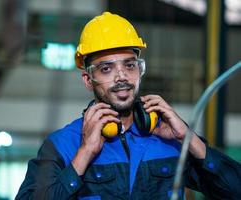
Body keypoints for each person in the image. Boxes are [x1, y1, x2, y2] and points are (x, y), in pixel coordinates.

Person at [16, 12, 241, 200]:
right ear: (87, 80)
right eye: (106, 69)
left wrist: (189, 139)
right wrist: (83, 155)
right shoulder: (63, 144)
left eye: (130, 65)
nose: (122, 77)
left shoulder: (171, 141)